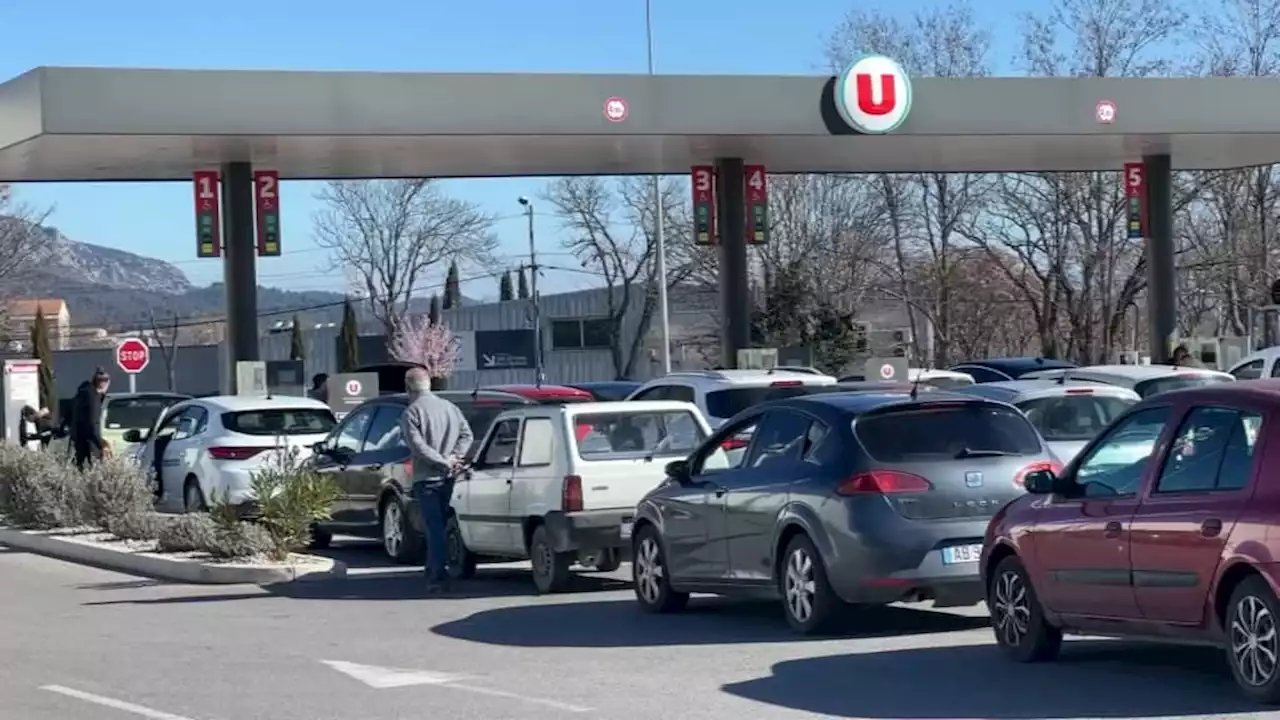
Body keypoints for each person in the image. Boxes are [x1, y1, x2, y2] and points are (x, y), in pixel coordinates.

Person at [399, 367, 473, 593]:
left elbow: (417, 446)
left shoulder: (411, 413)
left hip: (427, 478)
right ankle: (435, 567)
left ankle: (437, 576)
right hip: (451, 477)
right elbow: (466, 434)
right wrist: (454, 458)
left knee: (434, 528)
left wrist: (442, 461)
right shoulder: (450, 407)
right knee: (446, 525)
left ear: (408, 386)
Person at [71, 368, 112, 469]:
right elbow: (93, 424)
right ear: (104, 383)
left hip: (79, 442)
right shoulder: (93, 398)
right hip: (90, 445)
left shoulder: (82, 395)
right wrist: (102, 444)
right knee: (92, 472)